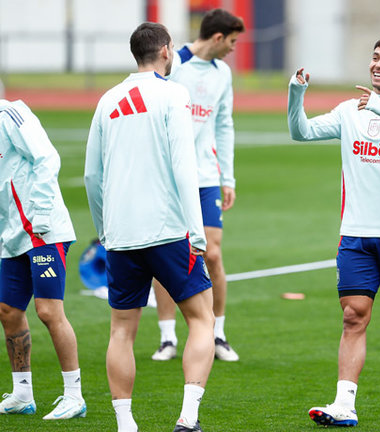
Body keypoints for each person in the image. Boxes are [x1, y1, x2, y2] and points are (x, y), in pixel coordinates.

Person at [288, 35, 380, 426]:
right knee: (354, 317)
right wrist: (295, 94)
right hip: (355, 235)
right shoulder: (349, 110)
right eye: (375, 57)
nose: (378, 64)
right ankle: (344, 405)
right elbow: (300, 132)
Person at [84, 22, 215, 432]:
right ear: (165, 51)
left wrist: (105, 229)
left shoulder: (107, 99)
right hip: (169, 232)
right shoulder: (173, 94)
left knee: (121, 330)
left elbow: (92, 175)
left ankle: (126, 424)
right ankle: (188, 417)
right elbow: (184, 166)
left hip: (122, 235)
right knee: (201, 318)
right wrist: (196, 232)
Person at [151, 8, 244, 363]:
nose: (234, 49)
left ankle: (217, 333)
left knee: (213, 253)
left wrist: (227, 177)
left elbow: (224, 125)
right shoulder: (175, 66)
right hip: (167, 176)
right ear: (218, 37)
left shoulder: (223, 74)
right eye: (233, 42)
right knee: (164, 252)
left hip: (205, 177)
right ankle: (166, 337)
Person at [0, 99, 86, 419]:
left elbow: (47, 157)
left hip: (42, 230)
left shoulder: (10, 113)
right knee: (8, 311)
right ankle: (22, 393)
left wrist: (41, 214)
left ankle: (74, 396)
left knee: (48, 311)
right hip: (11, 237)